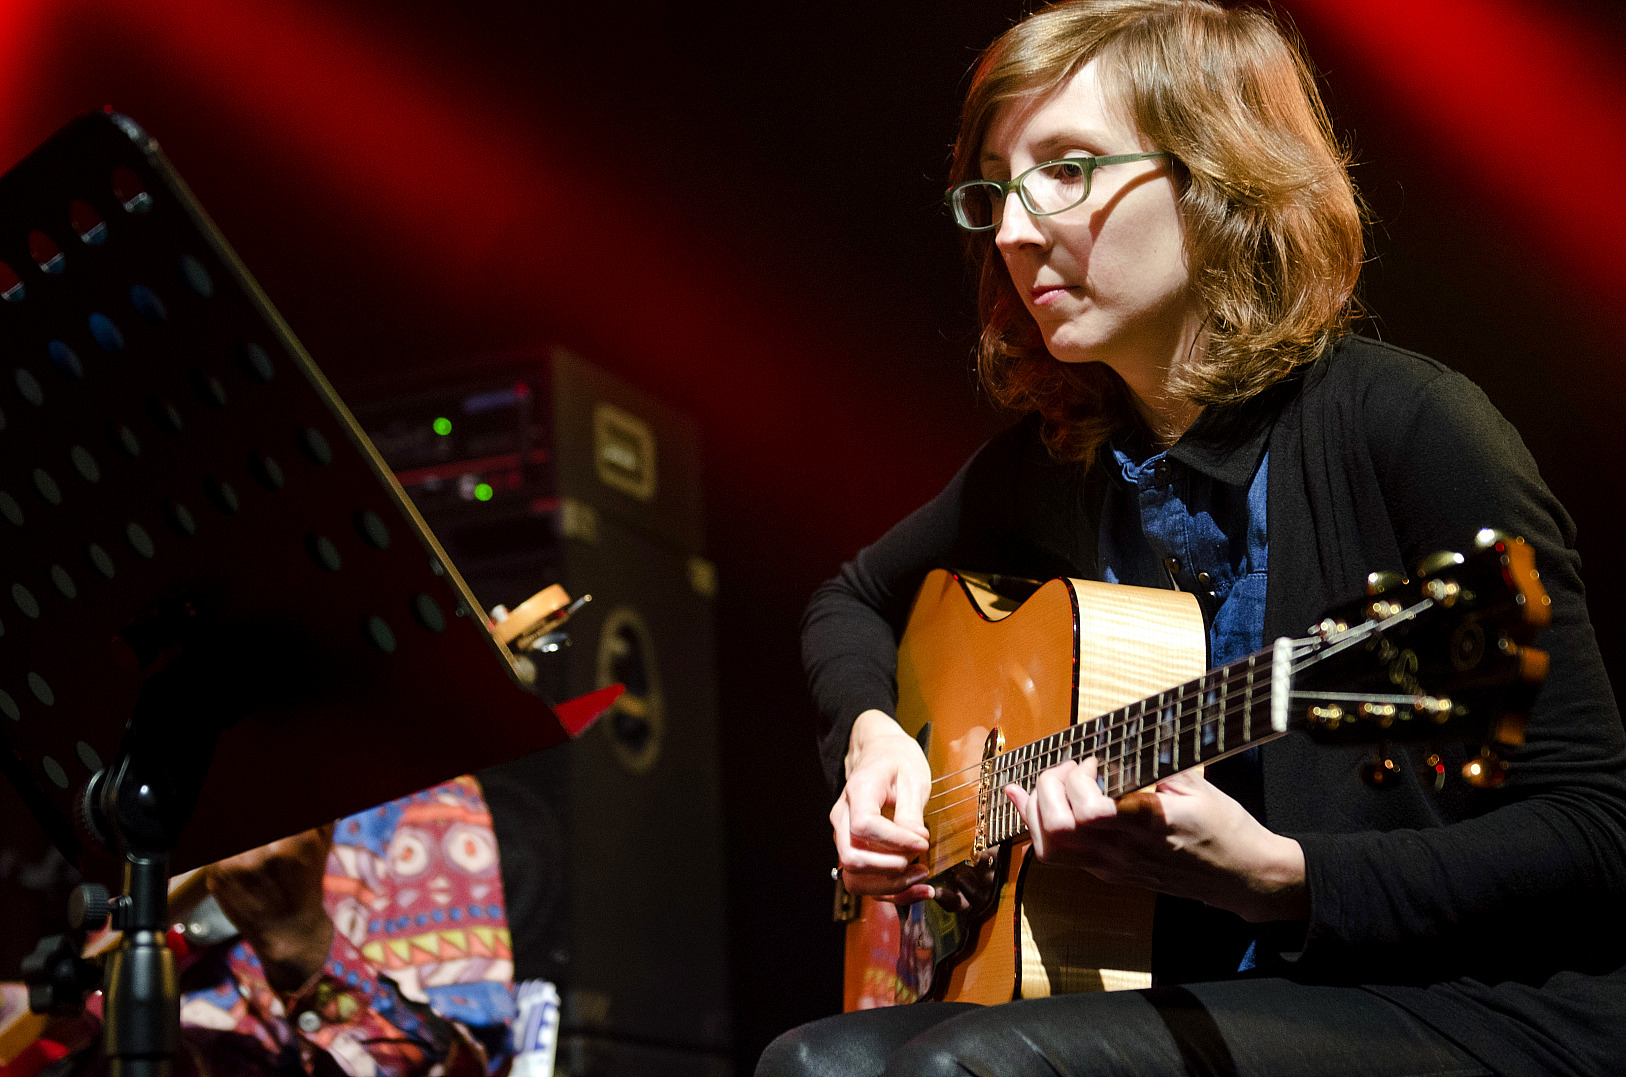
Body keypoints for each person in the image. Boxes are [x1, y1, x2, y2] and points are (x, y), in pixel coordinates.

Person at [762, 1, 1626, 1074]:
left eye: (1069, 169)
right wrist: (874, 739)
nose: (1018, 229)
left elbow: (1596, 835)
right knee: (810, 1062)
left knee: (975, 1068)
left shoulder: (1410, 427)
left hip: (1467, 1003)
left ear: (1215, 179)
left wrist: (1284, 877)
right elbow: (848, 599)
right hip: (1209, 995)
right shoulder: (1060, 464)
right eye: (998, 187)